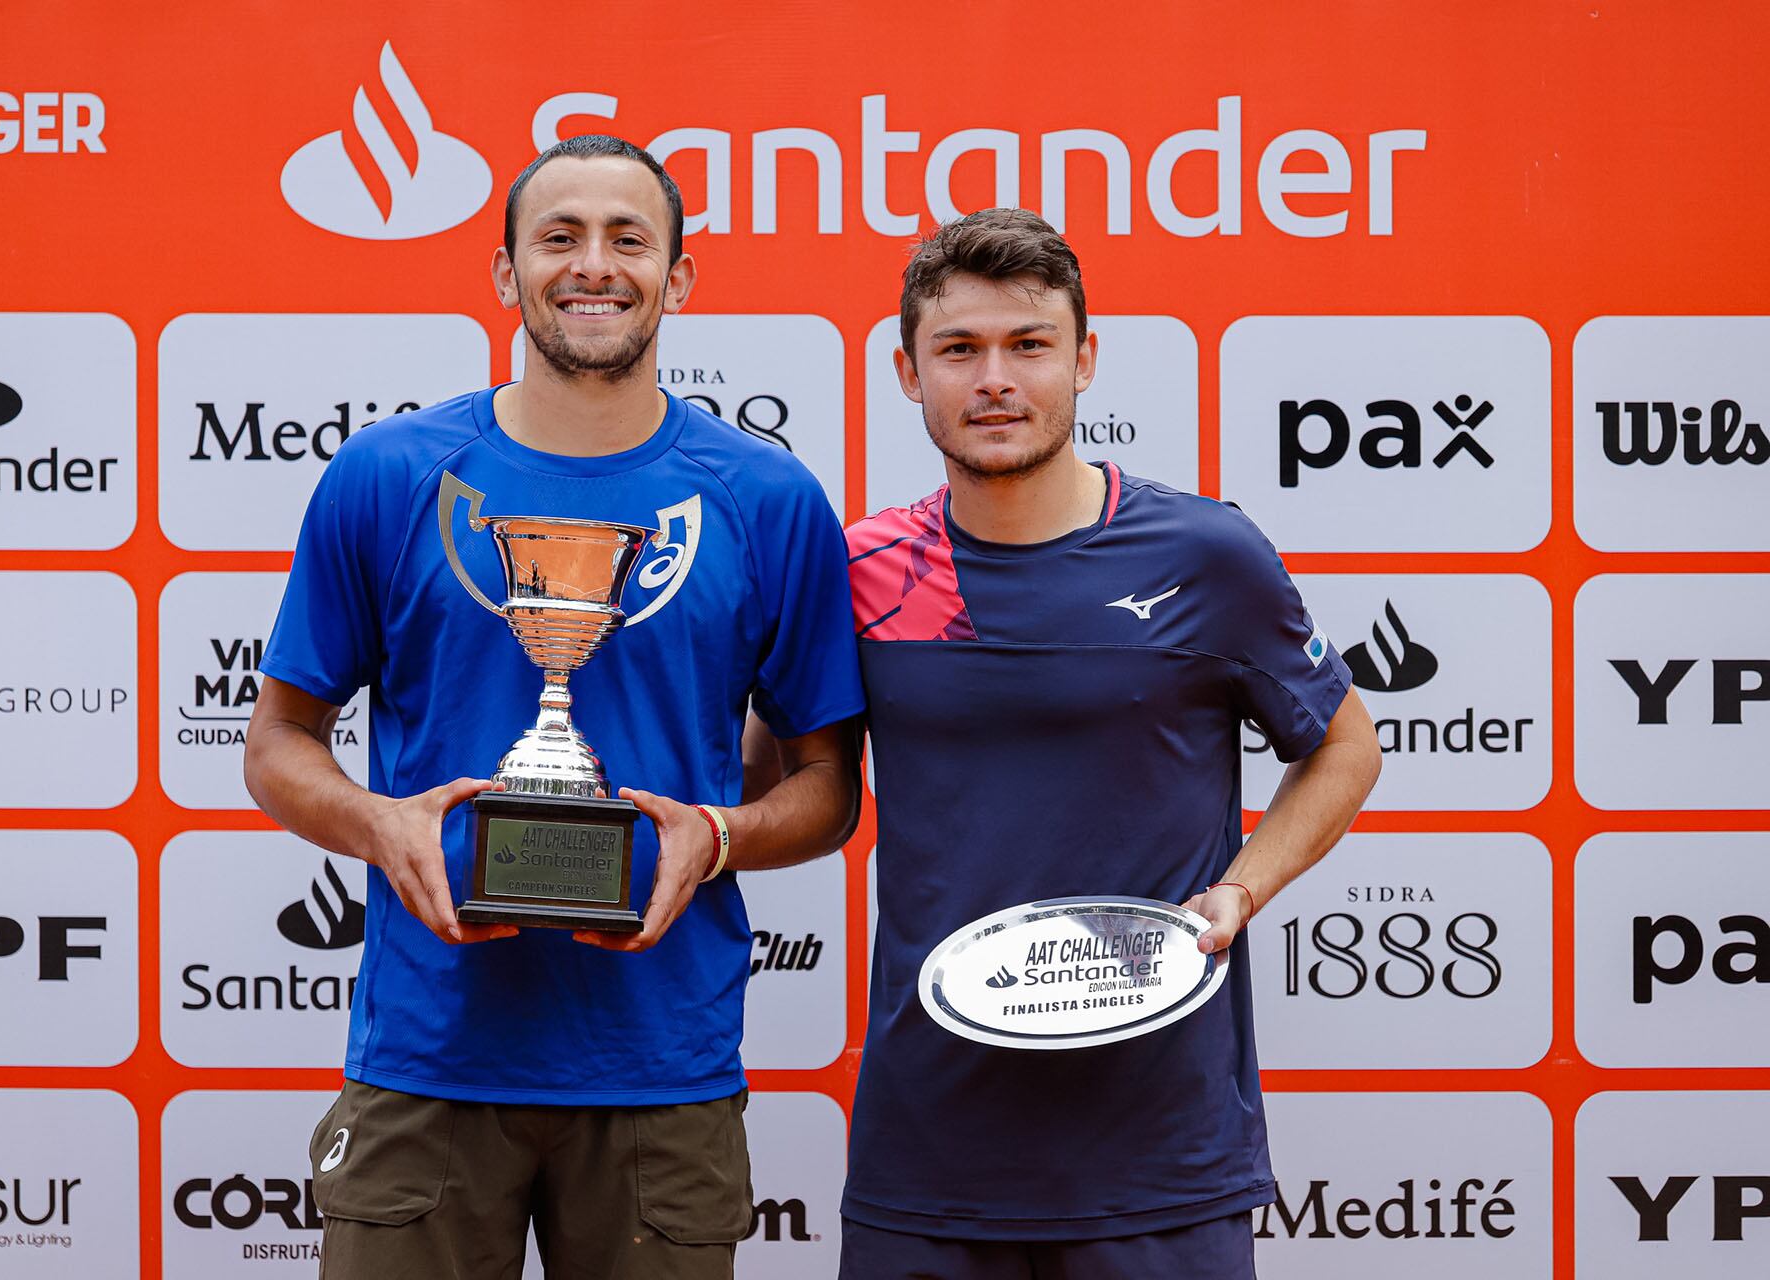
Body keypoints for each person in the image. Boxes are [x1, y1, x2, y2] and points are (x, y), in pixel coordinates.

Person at [244, 134, 863, 1279]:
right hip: (429, 1061)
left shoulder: (767, 498)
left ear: (679, 277)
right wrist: (381, 823)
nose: (595, 265)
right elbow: (279, 741)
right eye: (560, 237)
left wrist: (715, 834)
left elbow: (831, 789)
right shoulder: (389, 474)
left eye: (630, 239)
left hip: (660, 1070)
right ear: (504, 270)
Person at [835, 209, 1382, 1278]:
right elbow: (782, 775)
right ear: (908, 371)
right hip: (929, 1148)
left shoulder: (1206, 551)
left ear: (1083, 360)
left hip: (1159, 1154)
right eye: (959, 349)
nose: (995, 378)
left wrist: (1243, 888)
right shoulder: (863, 568)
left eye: (1029, 345)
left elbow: (1344, 746)